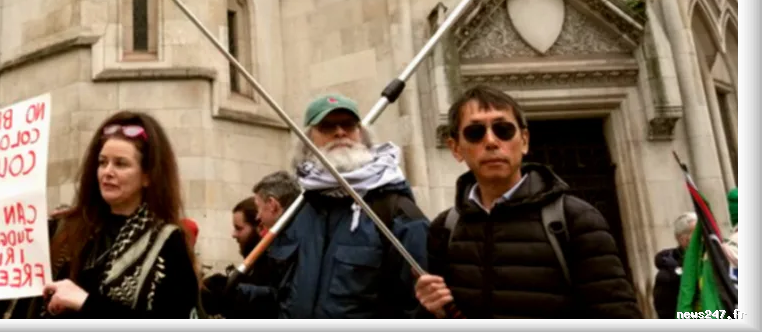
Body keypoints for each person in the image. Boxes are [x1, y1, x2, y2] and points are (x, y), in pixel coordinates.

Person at [415, 85, 642, 319]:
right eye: (475, 132)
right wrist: (432, 310)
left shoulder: (576, 219)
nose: (491, 141)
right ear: (456, 148)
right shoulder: (444, 228)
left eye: (503, 130)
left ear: (524, 140)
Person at [262, 94, 429, 319]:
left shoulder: (396, 210)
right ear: (307, 140)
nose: (340, 132)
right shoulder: (299, 209)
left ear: (362, 135)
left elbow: (420, 306)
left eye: (349, 125)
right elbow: (282, 295)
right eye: (327, 126)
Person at [40, 111, 201, 318]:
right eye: (102, 162)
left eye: (121, 164)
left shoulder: (168, 243)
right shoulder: (66, 229)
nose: (107, 171)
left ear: (147, 177)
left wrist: (85, 302)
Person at [654, 213, 696, 319]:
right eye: (698, 234)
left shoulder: (707, 261)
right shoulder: (667, 276)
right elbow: (667, 313)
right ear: (683, 239)